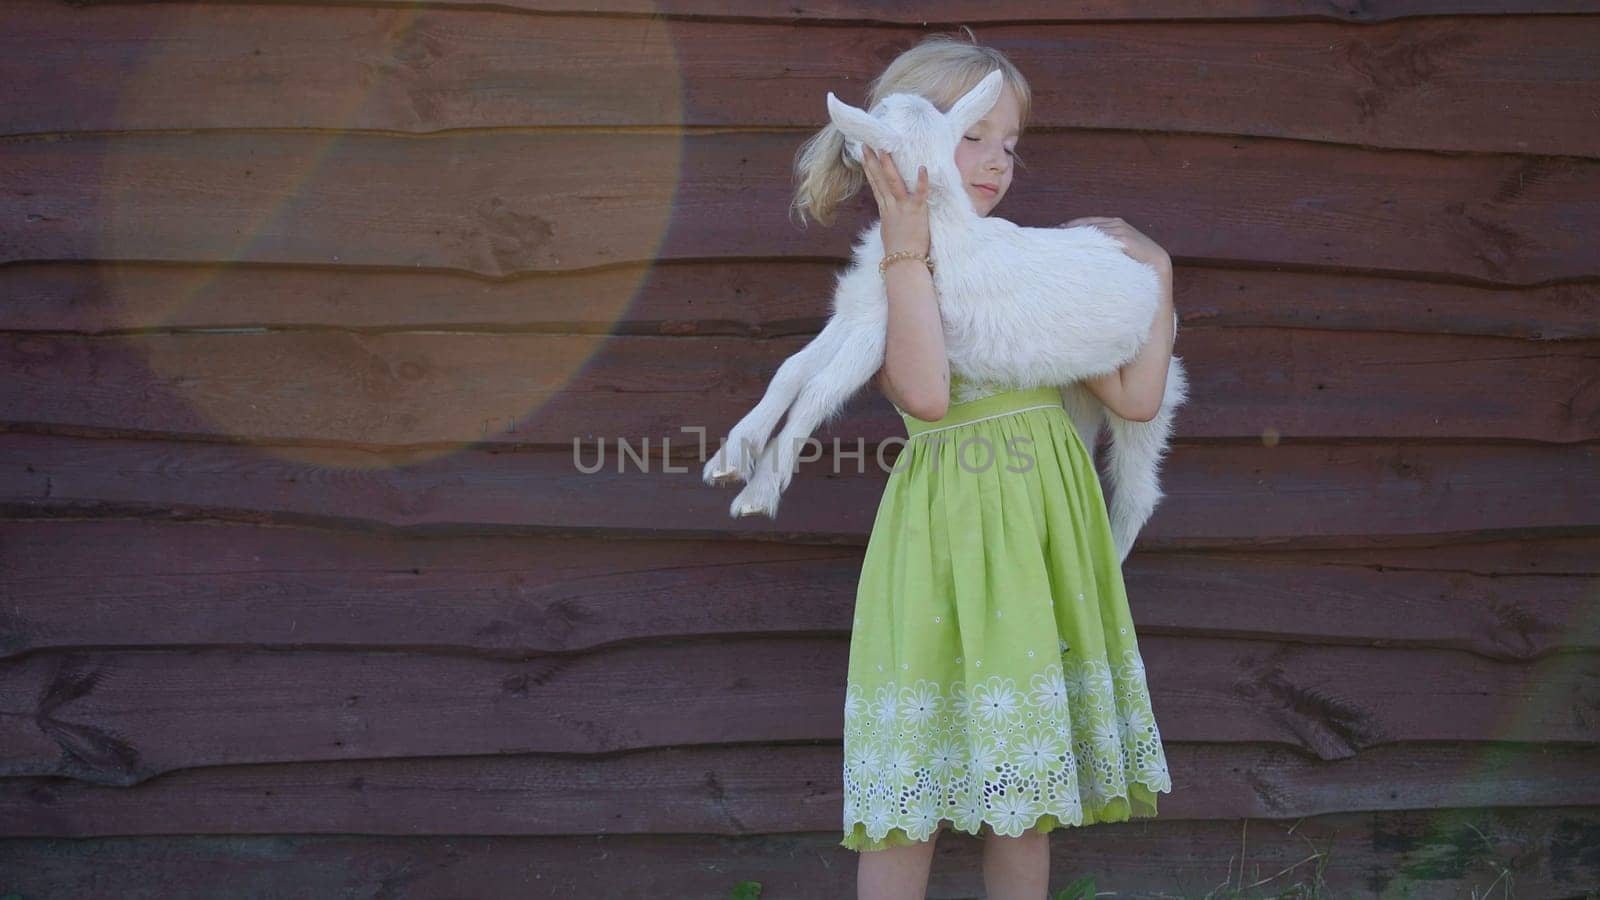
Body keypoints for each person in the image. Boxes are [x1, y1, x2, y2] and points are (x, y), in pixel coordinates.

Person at [789, 28, 1178, 900]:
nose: (998, 163)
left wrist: (1157, 272)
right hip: (947, 534)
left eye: (1009, 144)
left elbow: (1135, 396)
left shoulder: (1027, 267)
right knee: (909, 793)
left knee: (1025, 800)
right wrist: (904, 237)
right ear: (906, 142)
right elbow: (925, 392)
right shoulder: (888, 274)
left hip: (1039, 535)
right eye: (974, 137)